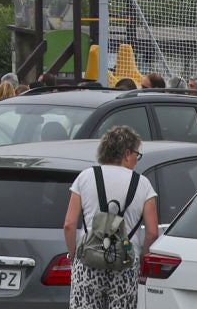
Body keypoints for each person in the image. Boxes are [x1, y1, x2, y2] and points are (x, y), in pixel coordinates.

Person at [63, 124, 160, 309]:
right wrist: (140, 257)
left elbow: (69, 224)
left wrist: (75, 255)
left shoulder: (85, 177)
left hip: (88, 262)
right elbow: (153, 232)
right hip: (125, 264)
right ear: (126, 153)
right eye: (136, 155)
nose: (137, 161)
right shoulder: (143, 184)